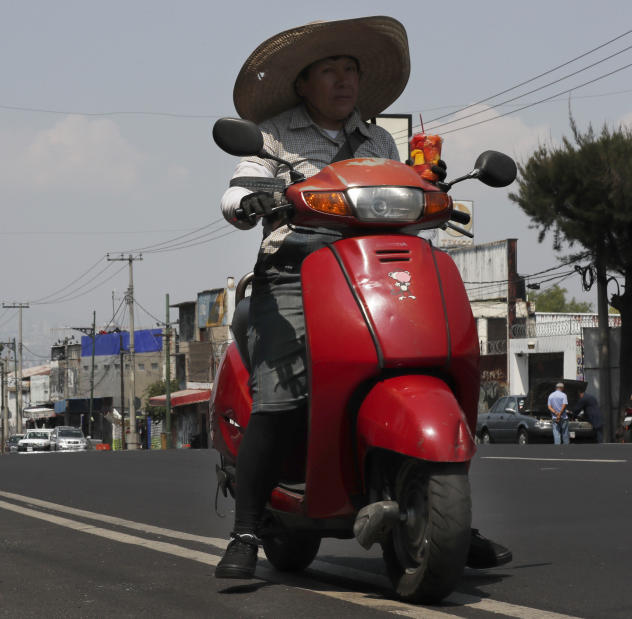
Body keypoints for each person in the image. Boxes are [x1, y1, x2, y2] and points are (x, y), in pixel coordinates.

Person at [214, 16, 510, 579]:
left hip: (371, 273)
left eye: (350, 69)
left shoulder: (378, 140)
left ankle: (443, 513)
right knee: (280, 398)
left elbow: (396, 197)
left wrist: (431, 184)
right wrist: (245, 201)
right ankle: (246, 531)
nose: (343, 80)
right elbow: (241, 182)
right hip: (296, 272)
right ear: (303, 83)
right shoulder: (273, 135)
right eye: (329, 70)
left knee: (434, 358)